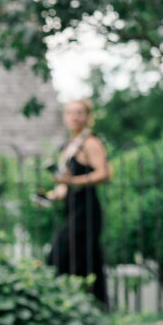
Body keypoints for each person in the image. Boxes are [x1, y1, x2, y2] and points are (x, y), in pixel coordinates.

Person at [41, 97, 110, 303]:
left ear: (88, 117)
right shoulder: (69, 146)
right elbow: (63, 186)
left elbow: (105, 173)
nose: (75, 117)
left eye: (80, 112)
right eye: (70, 112)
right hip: (71, 209)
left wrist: (75, 181)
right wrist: (48, 197)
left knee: (65, 257)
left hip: (86, 211)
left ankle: (75, 303)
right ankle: (89, 304)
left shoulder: (91, 143)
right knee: (81, 260)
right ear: (65, 117)